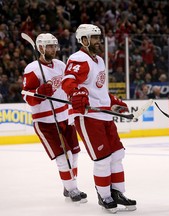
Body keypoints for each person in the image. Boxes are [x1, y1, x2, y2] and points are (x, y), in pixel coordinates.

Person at [61, 24, 136, 213]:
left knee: (117, 155)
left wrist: (113, 101)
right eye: (94, 37)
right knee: (102, 159)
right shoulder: (79, 58)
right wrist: (76, 92)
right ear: (84, 40)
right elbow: (68, 81)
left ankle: (118, 192)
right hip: (88, 117)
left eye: (98, 37)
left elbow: (99, 90)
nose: (98, 41)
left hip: (103, 115)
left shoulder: (99, 60)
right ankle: (105, 196)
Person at [22, 33, 87, 203]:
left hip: (65, 116)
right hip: (46, 122)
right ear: (40, 48)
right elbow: (27, 97)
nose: (53, 49)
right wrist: (39, 93)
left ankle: (69, 185)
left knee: (74, 154)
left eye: (54, 46)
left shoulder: (60, 65)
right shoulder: (32, 69)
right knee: (62, 156)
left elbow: (67, 85)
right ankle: (72, 189)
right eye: (49, 46)